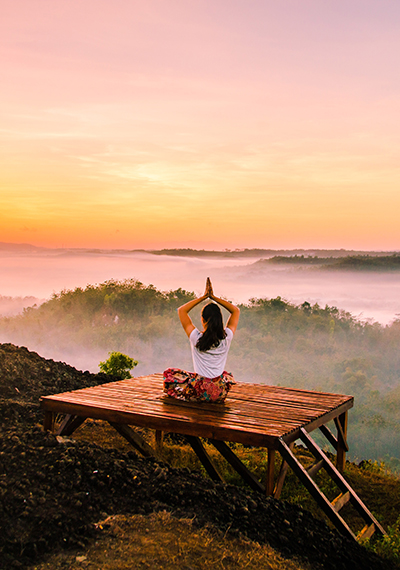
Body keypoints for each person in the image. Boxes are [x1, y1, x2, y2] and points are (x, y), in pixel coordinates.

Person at [163, 278, 240, 403]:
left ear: (203, 320)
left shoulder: (196, 338)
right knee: (225, 375)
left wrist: (203, 297)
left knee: (169, 373)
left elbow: (182, 310)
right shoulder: (226, 338)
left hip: (199, 392)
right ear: (220, 320)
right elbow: (235, 311)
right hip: (219, 392)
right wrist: (213, 297)